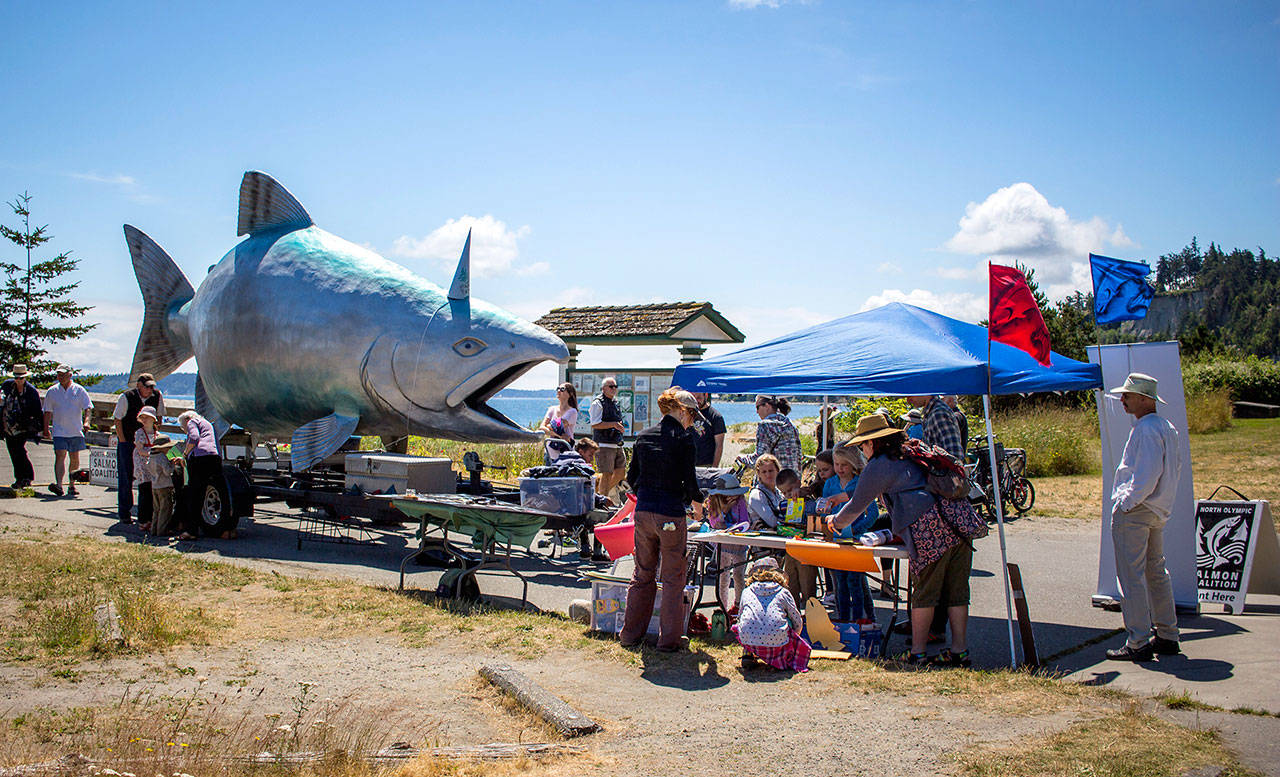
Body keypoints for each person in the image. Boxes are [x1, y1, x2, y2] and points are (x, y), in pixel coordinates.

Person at [827, 413, 973, 667]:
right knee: (957, 593)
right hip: (960, 521)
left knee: (924, 593)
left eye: (863, 445)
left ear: (872, 443)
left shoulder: (880, 464)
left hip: (931, 528)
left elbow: (857, 505)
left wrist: (834, 523)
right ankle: (959, 650)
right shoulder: (912, 451)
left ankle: (917, 652)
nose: (862, 450)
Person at [618, 388, 704, 652]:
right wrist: (698, 507)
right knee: (672, 578)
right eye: (691, 415)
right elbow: (690, 481)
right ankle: (668, 641)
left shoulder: (643, 436)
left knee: (642, 573)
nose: (692, 420)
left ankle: (630, 635)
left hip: (643, 513)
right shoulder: (684, 439)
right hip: (670, 514)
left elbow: (632, 478)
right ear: (681, 411)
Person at [1105, 373, 1182, 662]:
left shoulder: (1147, 429)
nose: (1123, 399)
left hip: (1139, 509)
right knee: (1155, 571)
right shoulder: (1164, 426)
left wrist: (1126, 502)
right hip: (1156, 509)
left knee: (1132, 576)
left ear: (1145, 398)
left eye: (1128, 394)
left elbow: (1147, 476)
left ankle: (1138, 640)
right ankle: (1167, 633)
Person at [820, 445, 880, 623]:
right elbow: (824, 510)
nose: (839, 469)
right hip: (837, 539)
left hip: (856, 540)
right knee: (840, 583)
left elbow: (873, 513)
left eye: (844, 465)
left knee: (856, 582)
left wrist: (857, 529)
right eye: (837, 464)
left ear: (853, 464)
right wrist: (826, 516)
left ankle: (861, 621)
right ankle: (844, 621)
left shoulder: (860, 482)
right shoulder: (830, 483)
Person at [733, 557, 811, 672]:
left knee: (746, 622)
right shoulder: (783, 592)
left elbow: (740, 616)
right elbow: (797, 620)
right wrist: (794, 637)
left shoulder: (747, 591)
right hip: (777, 639)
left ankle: (747, 654)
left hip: (749, 638)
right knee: (786, 621)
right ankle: (778, 657)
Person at [112, 373, 164, 524]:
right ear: (139, 386)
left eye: (152, 386)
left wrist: (155, 436)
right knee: (126, 476)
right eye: (147, 386)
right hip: (128, 441)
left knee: (150, 477)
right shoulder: (126, 397)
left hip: (148, 441)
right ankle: (124, 512)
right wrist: (122, 441)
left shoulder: (157, 396)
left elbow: (159, 417)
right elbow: (118, 419)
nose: (150, 389)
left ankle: (149, 514)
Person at [42, 365, 93, 497]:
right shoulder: (52, 391)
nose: (61, 377)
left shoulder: (79, 390)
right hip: (59, 430)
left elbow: (88, 407)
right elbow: (47, 411)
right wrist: (46, 428)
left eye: (63, 374)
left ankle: (72, 484)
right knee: (60, 455)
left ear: (70, 375)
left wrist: (87, 422)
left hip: (75, 429)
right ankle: (59, 484)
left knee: (74, 457)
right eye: (59, 375)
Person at [703, 472, 750, 610]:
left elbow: (744, 521)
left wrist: (738, 528)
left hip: (738, 543)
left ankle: (738, 607)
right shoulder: (713, 502)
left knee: (739, 576)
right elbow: (714, 524)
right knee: (723, 577)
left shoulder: (740, 501)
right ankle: (721, 606)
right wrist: (725, 510)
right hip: (722, 544)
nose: (732, 497)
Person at [776, 468, 818, 607]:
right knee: (790, 581)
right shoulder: (783, 504)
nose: (788, 495)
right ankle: (793, 615)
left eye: (790, 490)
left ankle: (811, 614)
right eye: (784, 493)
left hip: (806, 550)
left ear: (798, 484)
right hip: (790, 548)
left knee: (807, 584)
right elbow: (781, 524)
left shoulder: (810, 503)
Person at [178, 410, 221, 537]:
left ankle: (191, 530)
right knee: (210, 491)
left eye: (183, 427)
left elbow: (194, 437)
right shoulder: (208, 424)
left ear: (186, 420)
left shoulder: (192, 421)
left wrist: (185, 454)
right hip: (213, 457)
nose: (185, 430)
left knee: (195, 495)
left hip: (199, 458)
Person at [2, 364, 44, 488]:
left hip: (23, 426)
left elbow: (37, 411)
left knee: (19, 450)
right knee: (13, 451)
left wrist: (41, 428)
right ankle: (20, 477)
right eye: (16, 378)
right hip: (8, 426)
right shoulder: (7, 386)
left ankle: (25, 477)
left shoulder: (31, 391)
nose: (18, 380)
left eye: (21, 378)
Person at [739, 396, 801, 473]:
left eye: (757, 407)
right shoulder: (790, 424)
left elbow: (760, 460)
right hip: (793, 478)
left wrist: (743, 458)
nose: (757, 412)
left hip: (774, 480)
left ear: (767, 406)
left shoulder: (765, 425)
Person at [589, 377, 627, 499]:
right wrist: (613, 424)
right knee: (606, 474)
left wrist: (619, 426)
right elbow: (595, 423)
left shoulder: (615, 402)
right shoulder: (598, 403)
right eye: (611, 386)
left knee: (621, 472)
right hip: (604, 444)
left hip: (616, 443)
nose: (614, 389)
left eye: (615, 386)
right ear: (603, 388)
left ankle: (600, 495)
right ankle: (602, 500)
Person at [145, 435, 183, 536]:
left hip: (155, 485)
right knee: (165, 509)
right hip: (164, 486)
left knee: (157, 509)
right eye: (168, 448)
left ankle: (154, 529)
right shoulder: (161, 457)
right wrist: (172, 465)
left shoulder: (151, 456)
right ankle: (162, 530)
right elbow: (167, 471)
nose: (169, 450)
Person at [907, 394, 964, 461]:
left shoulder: (938, 413)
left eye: (911, 394)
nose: (908, 400)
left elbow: (954, 456)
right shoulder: (930, 413)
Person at [133, 406, 161, 532]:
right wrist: (154, 454)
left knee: (152, 492)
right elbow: (140, 450)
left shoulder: (157, 434)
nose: (144, 420)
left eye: (147, 417)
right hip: (143, 465)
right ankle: (143, 520)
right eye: (142, 417)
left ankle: (151, 519)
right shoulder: (140, 433)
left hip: (152, 465)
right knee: (144, 491)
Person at [539, 382, 578, 464]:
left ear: (570, 394)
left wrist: (549, 428)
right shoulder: (552, 409)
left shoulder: (572, 411)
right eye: (558, 389)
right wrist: (559, 435)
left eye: (562, 389)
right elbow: (541, 427)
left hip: (565, 452)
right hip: (549, 452)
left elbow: (557, 426)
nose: (559, 391)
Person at [745, 453, 786, 530]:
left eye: (770, 471)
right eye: (764, 472)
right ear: (759, 474)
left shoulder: (779, 493)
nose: (768, 475)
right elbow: (772, 522)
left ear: (777, 471)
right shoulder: (757, 494)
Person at [690, 392, 726, 467]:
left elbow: (719, 445)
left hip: (706, 464)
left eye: (699, 398)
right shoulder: (688, 414)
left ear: (706, 395)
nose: (696, 401)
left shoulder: (715, 416)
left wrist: (714, 467)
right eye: (694, 398)